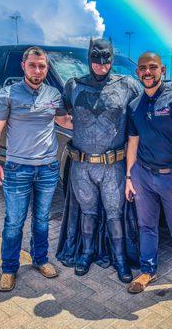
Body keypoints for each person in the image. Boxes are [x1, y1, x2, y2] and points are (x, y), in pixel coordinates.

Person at [0, 46, 72, 292]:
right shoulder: (8, 94)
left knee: (42, 219)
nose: (37, 70)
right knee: (14, 222)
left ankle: (40, 259)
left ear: (47, 68)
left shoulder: (54, 95)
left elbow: (65, 121)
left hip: (47, 169)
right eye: (33, 65)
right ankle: (9, 268)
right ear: (23, 66)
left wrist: (95, 125)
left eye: (42, 66)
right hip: (17, 169)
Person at [57, 38, 141, 283]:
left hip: (113, 165)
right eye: (96, 58)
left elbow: (145, 113)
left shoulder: (127, 86)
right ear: (89, 58)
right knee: (88, 211)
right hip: (82, 165)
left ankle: (120, 258)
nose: (101, 64)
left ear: (112, 58)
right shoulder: (73, 85)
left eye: (106, 58)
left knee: (115, 214)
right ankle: (85, 253)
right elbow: (58, 110)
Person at [125, 52, 172, 312]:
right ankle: (148, 271)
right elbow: (133, 143)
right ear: (137, 72)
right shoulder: (135, 105)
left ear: (163, 70)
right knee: (146, 227)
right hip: (143, 176)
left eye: (153, 67)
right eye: (143, 68)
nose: (148, 72)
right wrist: (128, 177)